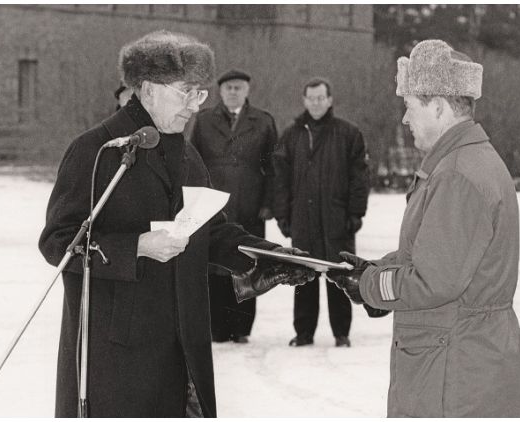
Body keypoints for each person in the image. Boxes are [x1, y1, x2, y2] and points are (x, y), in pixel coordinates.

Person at [38, 30, 315, 418]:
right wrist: (136, 246)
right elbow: (58, 241)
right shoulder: (97, 150)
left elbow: (211, 231)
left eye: (199, 94)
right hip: (116, 354)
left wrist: (271, 256)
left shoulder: (187, 155)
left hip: (181, 344)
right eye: (186, 92)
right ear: (149, 89)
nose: (195, 106)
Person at [327, 39, 520, 417]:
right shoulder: (464, 161)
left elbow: (433, 281)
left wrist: (370, 286)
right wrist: (376, 269)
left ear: (437, 106)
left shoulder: (457, 175)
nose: (405, 119)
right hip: (463, 356)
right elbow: (435, 253)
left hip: (453, 368)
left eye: (410, 105)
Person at [273, 77, 370, 348]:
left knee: (339, 275)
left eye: (321, 98)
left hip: (336, 218)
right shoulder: (291, 135)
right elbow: (279, 179)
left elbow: (360, 177)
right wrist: (283, 216)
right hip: (302, 218)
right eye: (311, 98)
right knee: (303, 276)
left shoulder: (348, 133)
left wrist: (355, 214)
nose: (316, 103)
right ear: (304, 101)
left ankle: (341, 333)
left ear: (329, 100)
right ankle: (304, 333)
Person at [190, 69, 278, 344]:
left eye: (238, 87)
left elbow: (273, 167)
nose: (233, 92)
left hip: (250, 206)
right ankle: (217, 329)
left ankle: (241, 329)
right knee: (215, 265)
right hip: (213, 205)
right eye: (228, 87)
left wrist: (268, 203)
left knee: (247, 263)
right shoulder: (204, 120)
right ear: (220, 91)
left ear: (247, 91)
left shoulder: (263, 121)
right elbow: (192, 163)